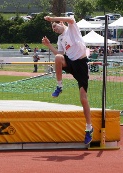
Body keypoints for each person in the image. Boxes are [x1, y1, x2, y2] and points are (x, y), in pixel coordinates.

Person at [41, 15, 93, 145]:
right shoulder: (60, 39)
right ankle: (59, 86)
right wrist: (48, 45)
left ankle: (89, 127)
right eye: (53, 29)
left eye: (55, 26)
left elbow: (69, 20)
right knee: (58, 58)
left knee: (83, 98)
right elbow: (58, 53)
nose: (55, 29)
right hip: (70, 62)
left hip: (81, 64)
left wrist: (52, 19)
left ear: (60, 22)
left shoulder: (71, 27)